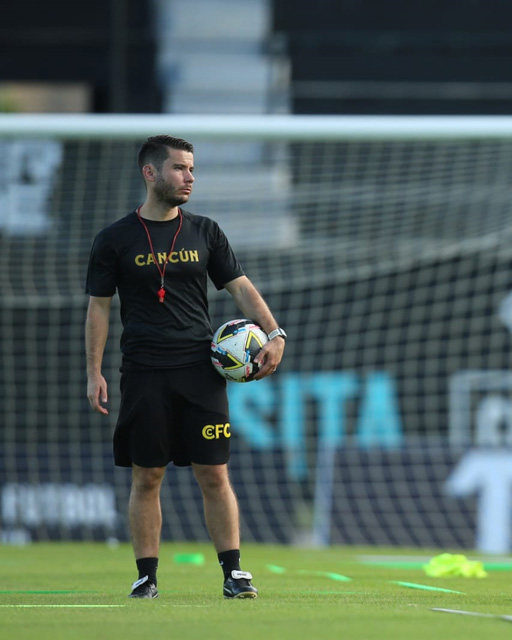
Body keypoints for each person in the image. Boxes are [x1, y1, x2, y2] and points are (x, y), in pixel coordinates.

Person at [84, 134, 287, 600]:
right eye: (179, 168)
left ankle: (234, 574)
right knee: (147, 474)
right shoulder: (114, 239)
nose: (190, 177)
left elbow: (239, 287)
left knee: (214, 473)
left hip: (201, 372)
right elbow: (98, 307)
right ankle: (146, 577)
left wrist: (274, 333)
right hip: (143, 371)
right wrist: (93, 370)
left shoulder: (205, 231)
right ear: (150, 173)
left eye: (192, 169)